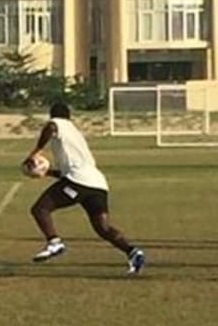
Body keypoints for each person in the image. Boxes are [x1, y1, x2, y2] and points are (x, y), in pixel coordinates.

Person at [24, 102, 146, 275]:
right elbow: (70, 170)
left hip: (79, 182)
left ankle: (54, 242)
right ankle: (133, 252)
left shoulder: (57, 124)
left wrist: (35, 152)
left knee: (40, 209)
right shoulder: (73, 132)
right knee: (103, 228)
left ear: (53, 115)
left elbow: (51, 127)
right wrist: (47, 172)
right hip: (97, 183)